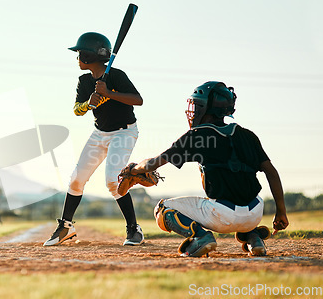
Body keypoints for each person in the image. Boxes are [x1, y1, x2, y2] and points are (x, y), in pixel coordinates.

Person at [121, 81, 289, 257]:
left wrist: (133, 169)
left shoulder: (197, 136)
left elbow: (153, 163)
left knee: (162, 208)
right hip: (255, 212)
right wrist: (281, 212)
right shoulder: (247, 135)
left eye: (196, 105)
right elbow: (272, 172)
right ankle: (253, 237)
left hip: (222, 215)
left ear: (205, 107)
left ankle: (200, 237)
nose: (193, 110)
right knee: (237, 201)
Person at [43, 32, 145, 246]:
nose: (77, 58)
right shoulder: (84, 81)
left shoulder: (116, 76)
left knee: (112, 180)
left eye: (79, 53)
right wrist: (90, 103)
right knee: (77, 179)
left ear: (89, 56)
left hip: (124, 132)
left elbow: (138, 100)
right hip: (100, 133)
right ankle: (66, 227)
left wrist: (109, 92)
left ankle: (134, 229)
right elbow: (77, 111)